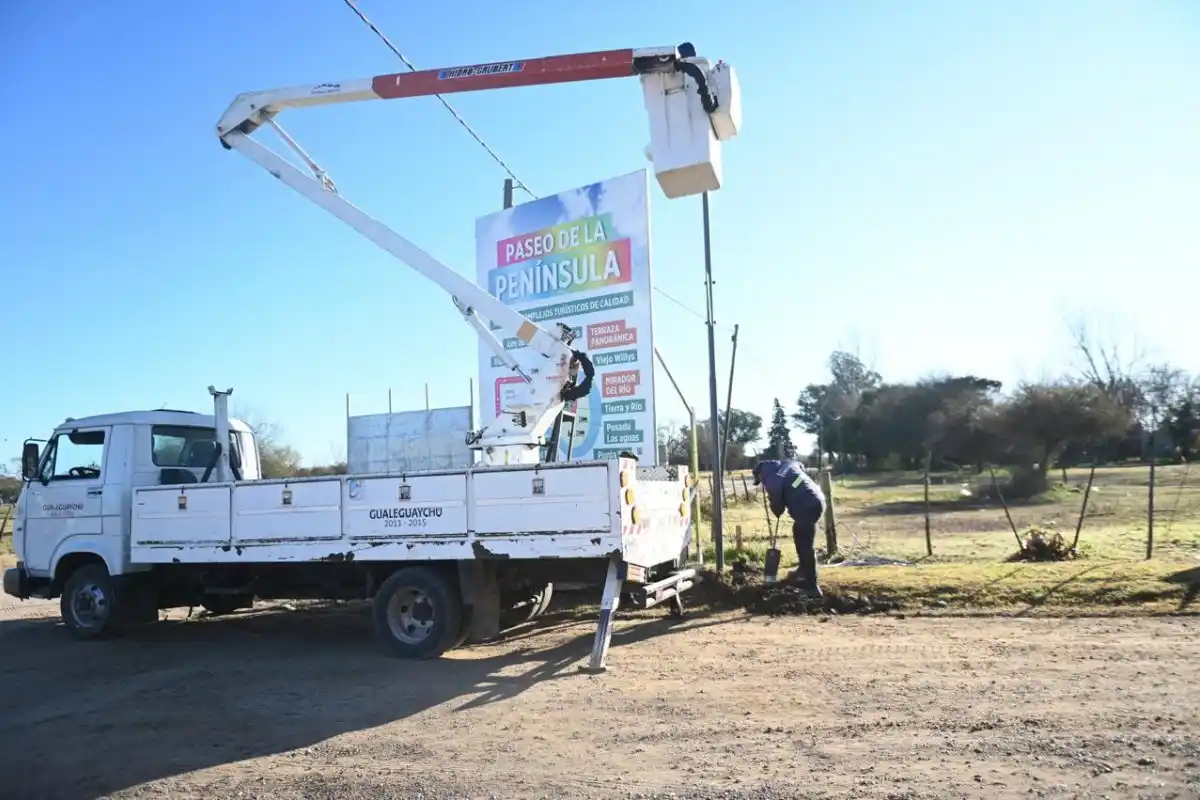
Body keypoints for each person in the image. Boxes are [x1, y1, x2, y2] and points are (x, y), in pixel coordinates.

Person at [752, 459, 826, 597]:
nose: (762, 484)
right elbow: (797, 477)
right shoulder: (790, 465)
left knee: (805, 544)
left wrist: (775, 505)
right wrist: (789, 491)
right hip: (817, 500)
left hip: (805, 505)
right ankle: (803, 570)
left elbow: (777, 507)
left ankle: (811, 585)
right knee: (799, 534)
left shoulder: (772, 480)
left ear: (761, 475)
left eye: (760, 481)